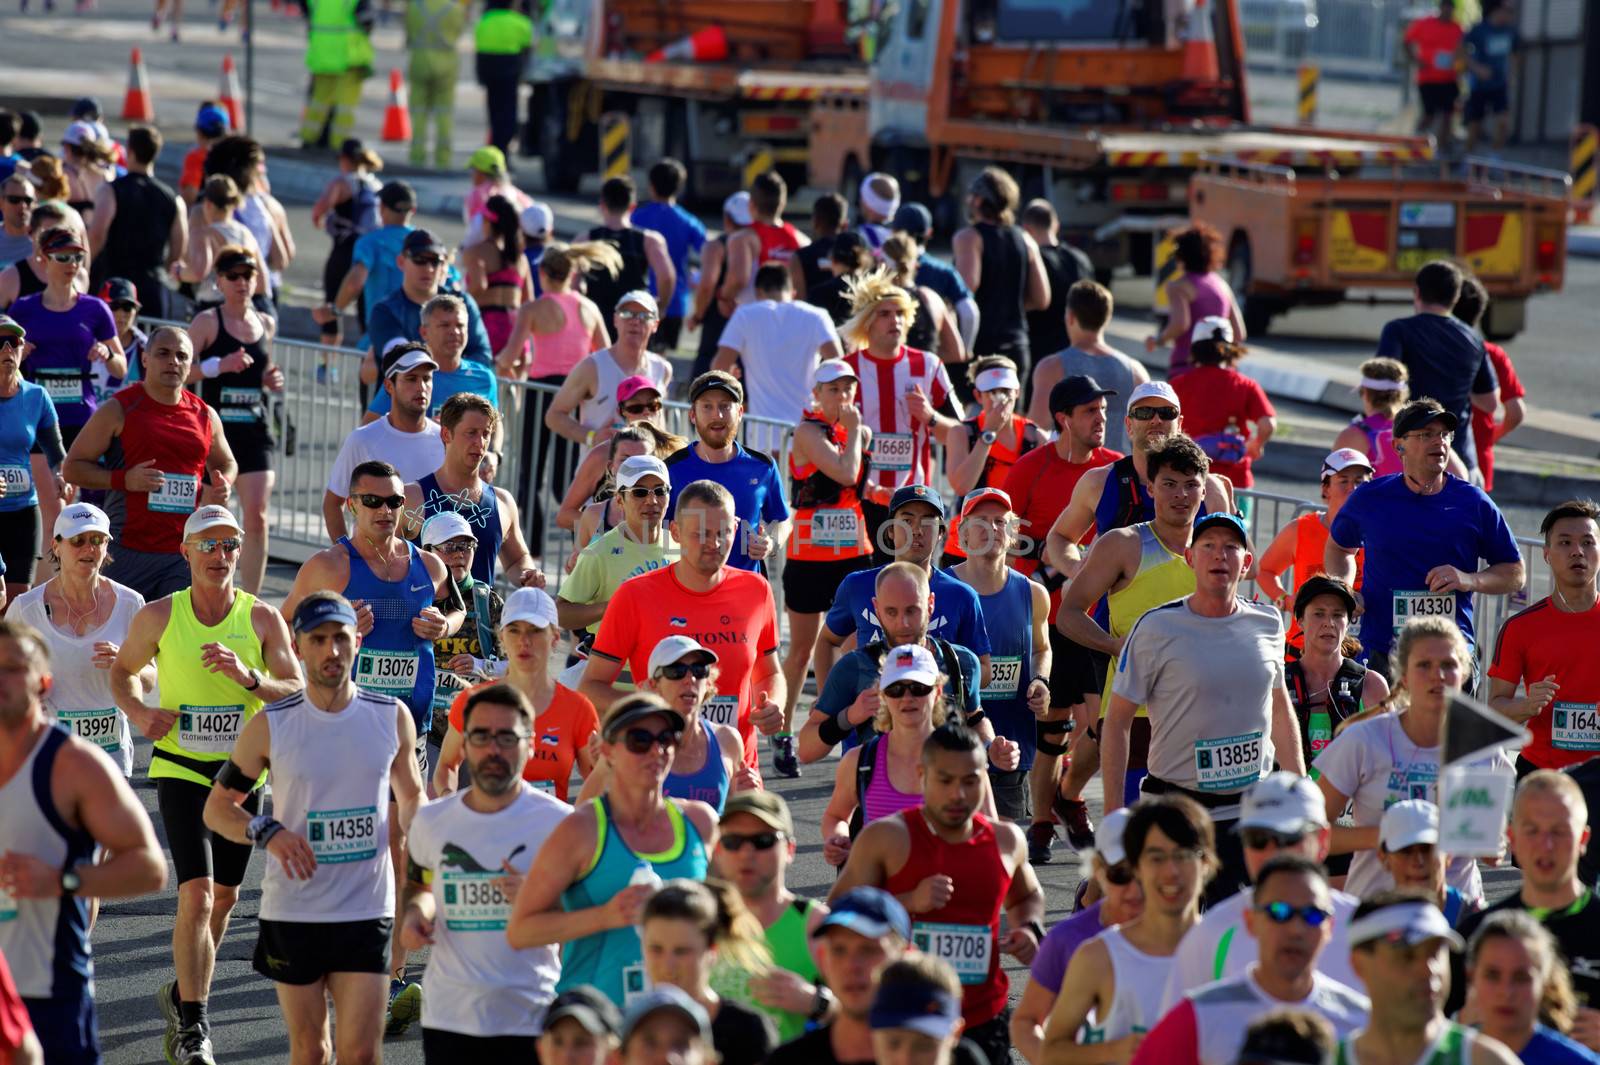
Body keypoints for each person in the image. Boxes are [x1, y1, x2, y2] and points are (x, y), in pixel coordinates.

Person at [108, 504, 300, 1064]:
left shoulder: (262, 618)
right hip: (180, 767)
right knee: (194, 895)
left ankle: (183, 993)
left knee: (224, 900)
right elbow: (122, 673)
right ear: (186, 552)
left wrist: (250, 678)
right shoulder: (159, 616)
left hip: (241, 775)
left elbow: (293, 688)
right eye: (208, 545)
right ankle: (195, 1027)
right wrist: (141, 716)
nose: (220, 556)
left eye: (230, 546)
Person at [200, 590, 422, 1065]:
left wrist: (429, 875)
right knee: (311, 1049)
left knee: (361, 1051)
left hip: (367, 907)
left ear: (358, 642)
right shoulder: (271, 725)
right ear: (297, 647)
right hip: (296, 910)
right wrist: (268, 831)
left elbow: (414, 803)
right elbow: (217, 809)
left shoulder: (391, 717)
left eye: (340, 638)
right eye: (318, 640)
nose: (331, 651)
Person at [282, 461, 463, 1030]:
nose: (386, 512)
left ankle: (392, 978)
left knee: (402, 849)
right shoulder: (330, 565)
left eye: (393, 503)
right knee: (347, 852)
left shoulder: (426, 563)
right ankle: (337, 963)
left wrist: (444, 624)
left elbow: (456, 606)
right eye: (373, 501)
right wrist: (337, 629)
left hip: (406, 729)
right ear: (352, 506)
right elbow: (282, 633)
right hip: (345, 730)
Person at [1107, 511, 1304, 900]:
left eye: (1231, 547)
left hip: (1247, 815)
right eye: (1208, 546)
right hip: (1175, 811)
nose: (1220, 556)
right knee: (1170, 940)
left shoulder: (1267, 623)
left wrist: (1298, 787)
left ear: (1246, 563)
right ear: (1189, 558)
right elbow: (1116, 722)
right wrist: (1115, 817)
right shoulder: (1156, 628)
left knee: (1234, 943)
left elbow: (1279, 706)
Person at [0, 619, 167, 1065]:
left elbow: (150, 867)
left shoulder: (75, 765)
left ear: (44, 684)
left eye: (14, 668)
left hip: (48, 989)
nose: (2, 679)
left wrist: (61, 880)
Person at [833, 723, 1045, 1065]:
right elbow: (839, 913)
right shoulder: (887, 837)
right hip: (903, 1021)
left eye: (970, 781)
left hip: (982, 1018)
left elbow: (1026, 896)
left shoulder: (1006, 841)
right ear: (922, 775)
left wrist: (1028, 927)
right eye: (945, 781)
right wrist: (905, 904)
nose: (958, 794)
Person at [506, 692, 719, 1009]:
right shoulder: (581, 829)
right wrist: (604, 916)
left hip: (677, 1023)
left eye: (666, 739)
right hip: (596, 1027)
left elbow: (725, 920)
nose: (656, 750)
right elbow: (521, 931)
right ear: (608, 751)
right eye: (639, 739)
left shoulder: (700, 822)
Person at [402, 682, 570, 1060]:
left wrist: (536, 896)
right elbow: (419, 885)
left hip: (532, 1015)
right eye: (480, 736)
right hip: (449, 1017)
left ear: (530, 743)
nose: (493, 749)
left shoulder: (562, 825)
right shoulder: (432, 821)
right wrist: (416, 914)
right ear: (464, 744)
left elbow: (588, 917)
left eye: (507, 737)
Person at [580, 479, 786, 777]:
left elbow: (769, 671)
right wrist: (658, 710)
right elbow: (591, 686)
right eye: (701, 533)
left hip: (737, 773)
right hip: (658, 772)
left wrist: (773, 705)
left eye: (724, 533)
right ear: (675, 532)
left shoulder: (756, 591)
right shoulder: (635, 596)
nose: (714, 544)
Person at [1004, 375, 1122, 860]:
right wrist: (1049, 578)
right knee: (1051, 726)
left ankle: (1068, 795)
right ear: (1063, 420)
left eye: (1103, 411)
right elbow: (1006, 538)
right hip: (1046, 616)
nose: (1101, 420)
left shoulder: (1115, 471)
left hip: (1096, 619)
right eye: (1090, 412)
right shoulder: (1031, 468)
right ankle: (1040, 822)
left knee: (1102, 728)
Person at [1314, 616, 1512, 903]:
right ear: (1404, 676)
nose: (1438, 675)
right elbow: (1312, 832)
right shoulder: (1365, 740)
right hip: (1376, 912)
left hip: (1455, 913)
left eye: (1448, 665)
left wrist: (1493, 847)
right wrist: (1394, 835)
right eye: (1424, 665)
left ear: (1464, 672)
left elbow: (1491, 843)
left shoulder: (1484, 748)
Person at [1054, 436, 1205, 808]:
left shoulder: (1218, 546)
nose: (1180, 495)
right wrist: (1113, 646)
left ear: (1204, 489)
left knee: (1194, 837)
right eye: (1169, 484)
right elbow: (1068, 615)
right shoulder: (1122, 544)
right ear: (1150, 487)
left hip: (1200, 710)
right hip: (1133, 712)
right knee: (1130, 830)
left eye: (1190, 485)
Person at [1325, 398, 1524, 676]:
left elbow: (1514, 572)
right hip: (1383, 651)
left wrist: (1469, 580)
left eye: (1444, 434)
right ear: (1399, 446)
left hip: (1451, 654)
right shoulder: (1371, 497)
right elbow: (1339, 548)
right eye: (1426, 434)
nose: (1439, 442)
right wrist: (1345, 588)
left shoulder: (1472, 501)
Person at [1135, 855, 1370, 1065]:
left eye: (1312, 915)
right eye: (1279, 912)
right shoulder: (1198, 1017)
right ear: (1250, 921)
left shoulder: (1362, 1022)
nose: (1296, 929)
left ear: (1330, 927)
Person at [1160, 774, 1365, 1009]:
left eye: (1289, 837)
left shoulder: (1363, 929)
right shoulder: (1211, 934)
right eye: (1258, 839)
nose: (1272, 852)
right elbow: (1177, 1032)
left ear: (1322, 840)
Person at [61, 326, 235, 600]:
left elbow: (227, 463)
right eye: (163, 353)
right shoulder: (119, 408)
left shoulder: (205, 415)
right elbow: (72, 467)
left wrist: (223, 484)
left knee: (173, 637)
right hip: (128, 548)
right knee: (119, 636)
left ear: (190, 365)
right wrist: (123, 479)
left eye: (181, 356)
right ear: (145, 359)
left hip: (181, 552)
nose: (173, 362)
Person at [1040, 795, 1216, 1065]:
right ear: (1137, 867)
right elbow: (1051, 1052)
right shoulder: (1098, 957)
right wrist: (1111, 1053)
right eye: (1156, 858)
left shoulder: (1235, 947)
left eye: (1183, 856)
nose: (1170, 871)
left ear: (1206, 863)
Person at [1448, 771, 1600, 1046]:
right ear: (1512, 839)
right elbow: (1431, 1042)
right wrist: (1460, 1025)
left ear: (1583, 840)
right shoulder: (1476, 935)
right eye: (1532, 830)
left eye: (1559, 831)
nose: (1546, 845)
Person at [805, 552, 994, 767]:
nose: (903, 623)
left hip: (946, 795)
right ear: (876, 609)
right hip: (879, 793)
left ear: (930, 604)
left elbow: (976, 720)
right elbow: (807, 749)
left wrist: (991, 748)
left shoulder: (960, 662)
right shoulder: (855, 667)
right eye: (891, 612)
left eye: (912, 610)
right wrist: (848, 716)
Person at [819, 644, 1000, 868]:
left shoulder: (965, 757)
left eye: (918, 687)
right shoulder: (861, 761)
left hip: (949, 894)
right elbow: (836, 815)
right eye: (896, 689)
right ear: (883, 696)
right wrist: (837, 838)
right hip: (882, 898)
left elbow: (990, 830)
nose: (907, 697)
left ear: (938, 692)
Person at [779, 359, 877, 771]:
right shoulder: (807, 432)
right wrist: (855, 434)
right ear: (816, 395)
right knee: (801, 648)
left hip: (853, 552)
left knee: (858, 647)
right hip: (808, 553)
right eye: (833, 390)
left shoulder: (859, 431)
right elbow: (843, 470)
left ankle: (850, 732)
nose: (842, 398)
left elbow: (859, 482)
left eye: (847, 389)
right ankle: (784, 733)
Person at [8, 503, 148, 779]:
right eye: (78, 540)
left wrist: (126, 664)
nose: (89, 548)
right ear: (56, 546)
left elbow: (151, 677)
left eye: (97, 540)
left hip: (111, 755)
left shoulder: (131, 603)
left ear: (107, 546)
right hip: (46, 754)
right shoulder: (25, 609)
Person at [434, 587, 599, 802]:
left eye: (535, 630)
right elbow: (446, 765)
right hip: (487, 831)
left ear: (555, 638)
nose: (524, 640)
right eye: (514, 630)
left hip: (548, 833)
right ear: (501, 636)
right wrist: (451, 802)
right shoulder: (473, 702)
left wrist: (573, 820)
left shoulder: (578, 708)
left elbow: (597, 780)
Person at [11, 226, 124, 538]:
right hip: (38, 419)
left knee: (82, 511)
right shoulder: (23, 308)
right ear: (43, 259)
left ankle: (74, 580)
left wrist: (106, 352)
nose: (72, 264)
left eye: (78, 257)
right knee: (55, 509)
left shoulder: (95, 309)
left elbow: (120, 367)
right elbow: (4, 361)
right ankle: (49, 584)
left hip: (81, 418)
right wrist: (20, 355)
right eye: (63, 257)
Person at [1045, 382, 1233, 569]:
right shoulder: (1099, 482)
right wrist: (1077, 571)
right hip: (1116, 599)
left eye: (1167, 413)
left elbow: (1232, 564)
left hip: (1183, 597)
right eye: (1144, 412)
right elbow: (1059, 537)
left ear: (1180, 424)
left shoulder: (1209, 489)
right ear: (1129, 424)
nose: (1156, 420)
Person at [950, 488, 1052, 821]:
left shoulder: (1033, 593)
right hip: (953, 746)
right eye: (981, 521)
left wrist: (1040, 680)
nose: (992, 529)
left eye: (1000, 522)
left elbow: (1042, 648)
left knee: (1004, 850)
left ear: (1012, 534)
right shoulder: (941, 590)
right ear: (963, 534)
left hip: (1010, 747)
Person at [1010, 809, 1143, 1064]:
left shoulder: (1181, 931)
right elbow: (1025, 1023)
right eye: (1120, 875)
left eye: (1143, 874)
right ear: (1098, 869)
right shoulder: (1068, 938)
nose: (1133, 888)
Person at [186, 246, 283, 595]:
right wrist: (218, 366)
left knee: (256, 517)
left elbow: (264, 369)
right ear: (219, 281)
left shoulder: (265, 323)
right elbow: (179, 370)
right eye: (234, 276)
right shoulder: (208, 321)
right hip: (216, 433)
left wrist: (271, 378)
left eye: (249, 275)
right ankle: (207, 592)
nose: (242, 282)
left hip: (254, 430)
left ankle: (252, 600)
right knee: (212, 518)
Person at [1340, 890, 1522, 1065]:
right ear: (1358, 964)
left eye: (1435, 953)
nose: (1428, 969)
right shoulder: (1326, 1059)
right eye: (1407, 956)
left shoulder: (1488, 1061)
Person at [576, 636, 753, 812]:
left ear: (707, 683)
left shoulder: (727, 740)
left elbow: (732, 823)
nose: (689, 679)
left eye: (699, 670)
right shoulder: (633, 744)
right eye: (676, 670)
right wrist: (603, 768)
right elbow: (581, 815)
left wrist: (747, 801)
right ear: (654, 685)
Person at [710, 791, 831, 1044]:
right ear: (719, 850)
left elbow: (863, 1018)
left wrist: (815, 1002)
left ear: (789, 849)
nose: (746, 853)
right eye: (733, 841)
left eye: (763, 840)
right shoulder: (700, 923)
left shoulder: (815, 925)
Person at [839, 269, 961, 517]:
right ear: (867, 321)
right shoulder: (845, 369)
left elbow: (961, 435)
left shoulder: (929, 365)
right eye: (884, 314)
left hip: (913, 498)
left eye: (900, 314)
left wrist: (931, 417)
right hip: (856, 497)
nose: (895, 320)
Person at [1490, 500, 1600, 774]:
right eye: (1565, 543)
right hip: (1541, 773)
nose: (1578, 551)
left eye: (1588, 542)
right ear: (1547, 554)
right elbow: (1494, 710)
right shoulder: (1520, 627)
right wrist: (1526, 706)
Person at [402, 391, 543, 588]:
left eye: (486, 434)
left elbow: (516, 560)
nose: (480, 443)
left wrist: (529, 575)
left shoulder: (502, 502)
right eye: (471, 433)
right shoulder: (411, 497)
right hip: (423, 618)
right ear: (446, 434)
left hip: (482, 618)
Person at [1374, 260, 1499, 476]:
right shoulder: (1474, 339)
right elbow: (1489, 403)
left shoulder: (1398, 331)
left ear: (1417, 292)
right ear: (1456, 296)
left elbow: (1383, 387)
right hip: (1460, 457)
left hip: (1410, 459)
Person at [663, 371, 791, 574]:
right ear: (693, 415)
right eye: (707, 406)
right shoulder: (670, 469)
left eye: (725, 406)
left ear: (740, 412)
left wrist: (771, 542)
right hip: (689, 591)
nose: (717, 415)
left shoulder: (762, 466)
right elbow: (658, 532)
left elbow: (782, 520)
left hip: (745, 591)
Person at [637, 879, 778, 1065]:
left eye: (681, 951)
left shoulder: (749, 1030)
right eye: (656, 949)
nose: (667, 965)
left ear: (711, 952)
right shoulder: (627, 1028)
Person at [323, 342, 443, 541]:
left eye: (427, 379)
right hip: (377, 565)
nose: (421, 387)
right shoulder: (363, 439)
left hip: (433, 565)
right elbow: (332, 504)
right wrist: (347, 555)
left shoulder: (445, 439)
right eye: (411, 379)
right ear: (389, 386)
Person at [556, 454, 678, 648]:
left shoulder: (680, 546)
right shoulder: (599, 552)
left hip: (669, 674)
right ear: (620, 500)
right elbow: (561, 613)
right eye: (639, 492)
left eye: (660, 491)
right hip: (615, 675)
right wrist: (613, 607)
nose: (652, 500)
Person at [953, 167, 1049, 404]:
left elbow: (967, 287)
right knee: (1012, 427)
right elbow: (1041, 298)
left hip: (982, 347)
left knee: (974, 425)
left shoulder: (969, 238)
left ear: (978, 199)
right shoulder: (1024, 239)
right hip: (1017, 345)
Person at [712, 264, 843, 436]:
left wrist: (735, 392)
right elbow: (838, 365)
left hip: (762, 432)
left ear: (758, 292)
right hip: (809, 432)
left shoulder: (745, 314)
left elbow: (718, 367)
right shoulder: (817, 315)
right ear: (793, 292)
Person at [941, 357, 1045, 562]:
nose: (1001, 399)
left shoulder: (1034, 436)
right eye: (992, 392)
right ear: (978, 396)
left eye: (1006, 391)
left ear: (1017, 392)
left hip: (1013, 547)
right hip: (965, 548)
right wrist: (988, 433)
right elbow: (962, 485)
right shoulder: (962, 432)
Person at [1027, 280, 1147, 454]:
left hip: (1071, 474)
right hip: (1121, 475)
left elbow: (1035, 431)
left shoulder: (1051, 367)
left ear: (1070, 317)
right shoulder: (1135, 371)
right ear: (1108, 317)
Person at [1464, 911, 1600, 1065]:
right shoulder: (1442, 1055)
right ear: (1471, 977)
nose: (1506, 991)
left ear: (1545, 984)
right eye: (1493, 975)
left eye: (1521, 978)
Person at [1255, 449, 1373, 625]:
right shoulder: (1300, 529)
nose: (1353, 489)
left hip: (1364, 647)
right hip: (1304, 647)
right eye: (1343, 481)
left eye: (1359, 481)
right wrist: (1285, 600)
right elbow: (1264, 571)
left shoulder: (1380, 530)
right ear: (1326, 488)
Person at [545, 289, 672, 449]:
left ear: (655, 325)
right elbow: (554, 416)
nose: (635, 321)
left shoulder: (662, 368)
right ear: (615, 320)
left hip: (643, 470)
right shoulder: (592, 366)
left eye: (644, 316)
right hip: (598, 470)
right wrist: (592, 436)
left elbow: (659, 422)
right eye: (627, 313)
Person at [1282, 577, 1389, 765]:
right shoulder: (1279, 683)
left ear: (1348, 623)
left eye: (1338, 615)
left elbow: (1387, 763)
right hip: (1290, 793)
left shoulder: (1372, 685)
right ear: (1300, 620)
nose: (1329, 623)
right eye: (1318, 613)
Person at [362, 229, 494, 376]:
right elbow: (403, 358)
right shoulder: (385, 311)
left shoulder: (463, 303)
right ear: (401, 261)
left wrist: (455, 379)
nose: (428, 268)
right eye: (419, 259)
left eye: (435, 261)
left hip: (456, 396)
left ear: (444, 265)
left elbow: (482, 355)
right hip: (404, 398)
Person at [418, 510, 503, 737]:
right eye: (449, 547)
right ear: (427, 552)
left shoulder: (487, 601)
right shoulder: (413, 597)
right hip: (421, 730)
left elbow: (518, 667)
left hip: (475, 729)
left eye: (466, 546)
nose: (459, 555)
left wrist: (481, 666)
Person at [1170, 317, 1275, 497]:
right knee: (1238, 525)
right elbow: (1268, 425)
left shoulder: (1178, 385)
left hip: (1189, 480)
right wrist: (1256, 445)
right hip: (1236, 481)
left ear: (1194, 349)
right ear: (1231, 350)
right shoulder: (1245, 384)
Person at [86, 125, 183, 317]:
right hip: (153, 286)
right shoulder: (173, 198)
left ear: (129, 151)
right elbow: (178, 249)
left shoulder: (111, 191)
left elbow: (97, 235)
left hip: (114, 284)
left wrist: (84, 268)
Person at [0, 314, 64, 601]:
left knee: (17, 602)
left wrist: (62, 475)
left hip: (24, 511)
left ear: (22, 349)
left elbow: (56, 453)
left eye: (12, 342)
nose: (6, 350)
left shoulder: (37, 397)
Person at [323, 180, 418, 349]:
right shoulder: (425, 242)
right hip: (419, 340)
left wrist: (336, 310)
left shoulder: (370, 242)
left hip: (380, 340)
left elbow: (354, 283)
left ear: (381, 208)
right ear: (413, 210)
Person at [1454, 276, 1526, 493]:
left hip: (1435, 456)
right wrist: (1488, 439)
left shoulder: (1431, 351)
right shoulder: (1493, 354)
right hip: (1478, 457)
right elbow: (1515, 413)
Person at [586, 176, 675, 340]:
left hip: (597, 319)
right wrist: (661, 307)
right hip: (635, 320)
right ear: (632, 206)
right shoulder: (650, 240)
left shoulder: (586, 239)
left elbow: (573, 282)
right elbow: (666, 277)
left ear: (602, 205)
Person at [632, 159, 706, 352]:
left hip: (640, 299)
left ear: (651, 186)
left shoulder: (636, 217)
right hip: (676, 301)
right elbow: (709, 254)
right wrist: (697, 275)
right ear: (679, 188)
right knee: (663, 361)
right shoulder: (689, 221)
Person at [892, 202, 981, 353]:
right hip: (932, 354)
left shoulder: (881, 268)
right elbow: (969, 312)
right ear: (929, 233)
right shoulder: (944, 271)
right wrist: (965, 350)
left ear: (894, 232)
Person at [1374, 800, 1476, 925]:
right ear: (1383, 858)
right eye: (1405, 851)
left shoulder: (1478, 920)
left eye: (1427, 849)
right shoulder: (1371, 927)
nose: (1418, 861)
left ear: (1449, 855)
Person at [180, 175, 269, 309]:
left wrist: (178, 272)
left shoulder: (206, 234)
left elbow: (198, 272)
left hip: (213, 309)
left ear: (208, 204)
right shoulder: (246, 233)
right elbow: (262, 283)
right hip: (245, 309)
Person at [721, 170, 806, 310]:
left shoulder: (742, 239)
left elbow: (737, 279)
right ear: (782, 204)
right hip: (789, 319)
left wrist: (723, 297)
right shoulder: (801, 239)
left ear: (751, 204)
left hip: (755, 318)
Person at [1021, 199, 1092, 367]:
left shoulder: (1030, 262)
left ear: (1026, 229)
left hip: (1039, 353)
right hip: (1077, 352)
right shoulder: (1080, 259)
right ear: (1056, 225)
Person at [462, 194, 532, 358]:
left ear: (486, 221)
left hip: (486, 327)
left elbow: (478, 287)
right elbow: (528, 300)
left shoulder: (476, 252)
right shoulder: (521, 259)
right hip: (516, 331)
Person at [689, 193, 750, 381]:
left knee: (706, 384)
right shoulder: (759, 243)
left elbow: (706, 284)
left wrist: (698, 315)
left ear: (726, 218)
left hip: (718, 324)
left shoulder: (716, 246)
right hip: (753, 327)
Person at [298, 0, 375, 149]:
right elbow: (367, 20)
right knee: (345, 106)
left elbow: (306, 12)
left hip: (322, 55)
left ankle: (308, 139)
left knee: (318, 102)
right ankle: (339, 145)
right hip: (349, 56)